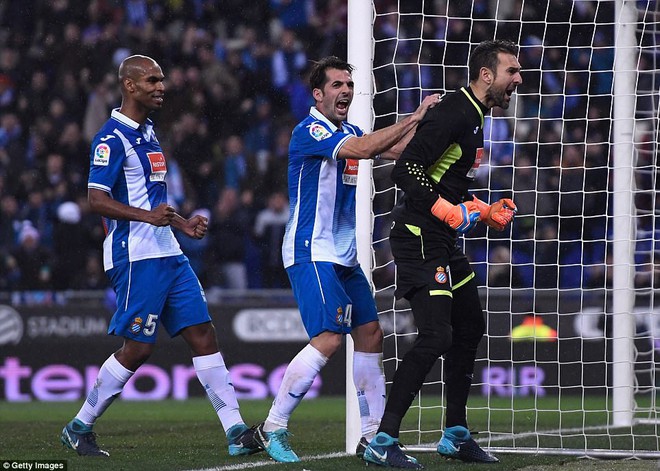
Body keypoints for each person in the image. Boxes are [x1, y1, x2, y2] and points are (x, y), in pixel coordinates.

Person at [60, 55, 260, 458]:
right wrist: (146, 217)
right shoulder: (110, 138)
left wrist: (182, 224)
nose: (161, 86)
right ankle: (79, 426)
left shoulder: (149, 133)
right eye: (152, 80)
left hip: (168, 251)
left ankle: (236, 432)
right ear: (129, 86)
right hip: (135, 256)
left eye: (162, 79)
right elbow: (95, 200)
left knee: (203, 334)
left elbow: (153, 201)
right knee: (138, 348)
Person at [248, 56, 440, 463]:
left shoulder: (349, 130)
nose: (346, 91)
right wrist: (416, 114)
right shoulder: (311, 130)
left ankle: (372, 437)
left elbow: (394, 150)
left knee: (371, 335)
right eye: (337, 85)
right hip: (311, 251)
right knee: (330, 338)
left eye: (348, 85)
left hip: (345, 256)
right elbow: (368, 146)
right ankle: (273, 427)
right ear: (317, 95)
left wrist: (443, 145)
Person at [363, 39, 522, 468]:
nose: (519, 79)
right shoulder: (455, 110)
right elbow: (406, 169)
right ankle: (382, 440)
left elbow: (445, 182)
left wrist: (483, 211)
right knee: (437, 335)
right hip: (417, 236)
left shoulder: (475, 117)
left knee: (469, 326)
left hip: (441, 239)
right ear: (487, 75)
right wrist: (446, 210)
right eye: (512, 71)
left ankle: (454, 433)